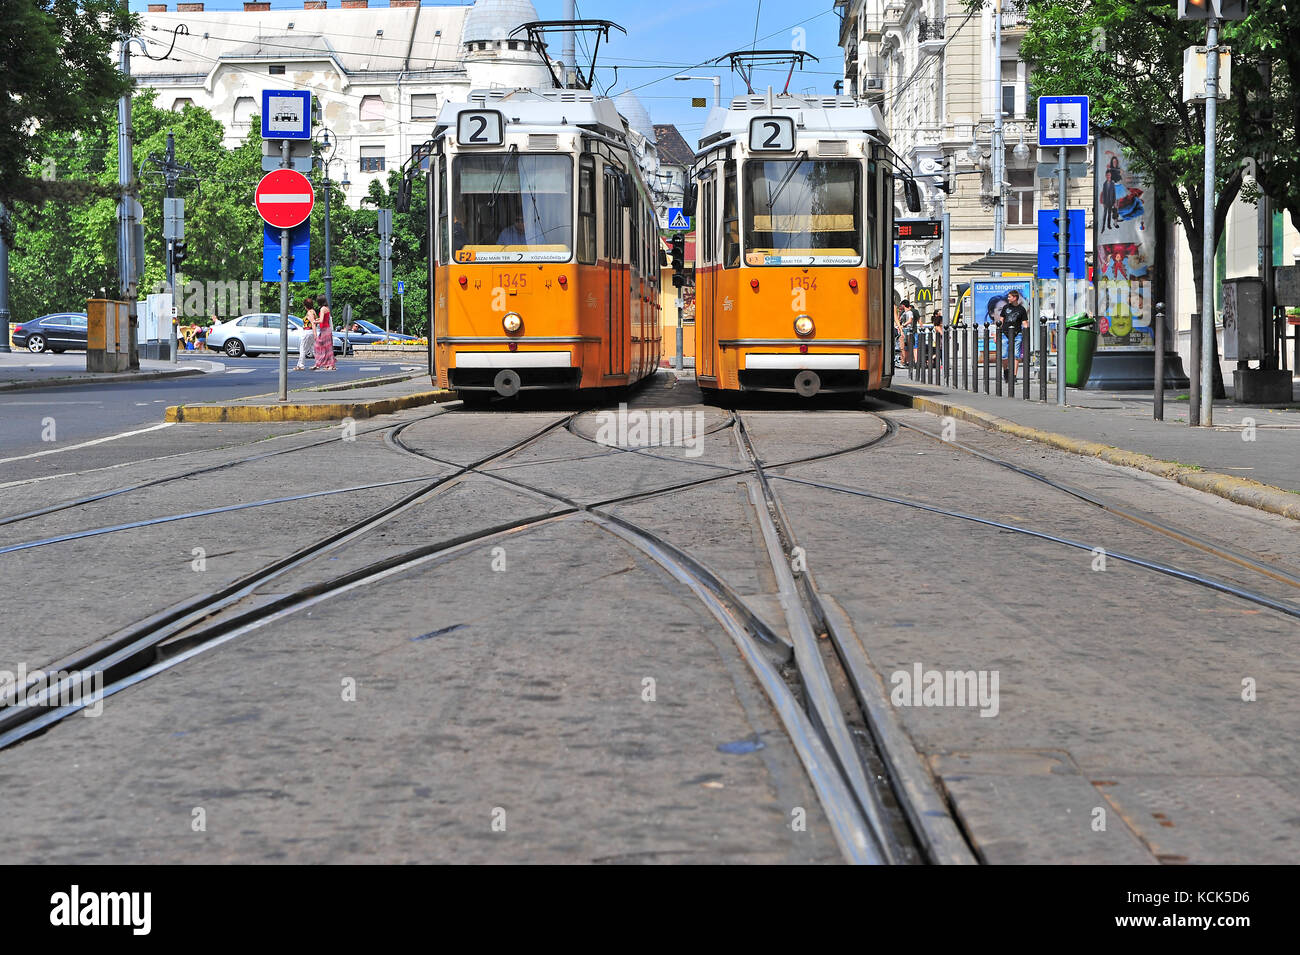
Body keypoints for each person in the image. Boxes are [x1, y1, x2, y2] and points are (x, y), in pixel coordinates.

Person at [998, 288, 1029, 385]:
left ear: (1015, 298)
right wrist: (997, 333)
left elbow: (1024, 323)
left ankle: (1014, 376)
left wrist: (1026, 333)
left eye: (1010, 297)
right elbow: (1001, 320)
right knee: (1004, 355)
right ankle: (1006, 372)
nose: (1008, 298)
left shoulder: (1021, 309)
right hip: (1005, 333)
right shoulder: (1005, 308)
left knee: (1016, 355)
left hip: (1017, 334)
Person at [313, 303, 336, 371]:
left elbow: (321, 320)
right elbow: (324, 318)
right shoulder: (327, 308)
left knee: (319, 346)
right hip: (326, 329)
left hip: (325, 329)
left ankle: (330, 364)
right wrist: (318, 319)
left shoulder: (322, 309)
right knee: (327, 348)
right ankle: (328, 364)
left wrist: (315, 322)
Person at [296, 296, 317, 371]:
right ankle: (317, 363)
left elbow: (313, 323)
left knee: (303, 348)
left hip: (308, 332)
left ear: (305, 306)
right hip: (310, 332)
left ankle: (300, 365)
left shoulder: (309, 313)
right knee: (313, 349)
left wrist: (315, 334)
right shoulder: (313, 311)